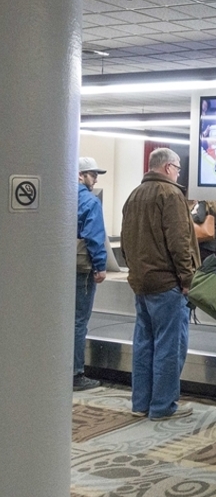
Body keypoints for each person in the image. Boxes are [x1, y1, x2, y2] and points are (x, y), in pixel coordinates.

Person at [121, 148, 200, 420]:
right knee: (170, 346)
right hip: (168, 284)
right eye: (177, 168)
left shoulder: (134, 195)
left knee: (144, 344)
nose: (179, 173)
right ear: (167, 167)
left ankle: (140, 404)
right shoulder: (171, 195)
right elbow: (180, 243)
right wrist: (188, 280)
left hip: (141, 283)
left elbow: (126, 239)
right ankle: (163, 407)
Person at [74, 157, 108, 391]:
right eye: (91, 174)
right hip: (82, 268)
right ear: (80, 175)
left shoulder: (59, 196)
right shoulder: (89, 201)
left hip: (58, 269)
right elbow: (94, 236)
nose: (95, 179)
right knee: (78, 321)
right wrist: (100, 266)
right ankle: (76, 374)